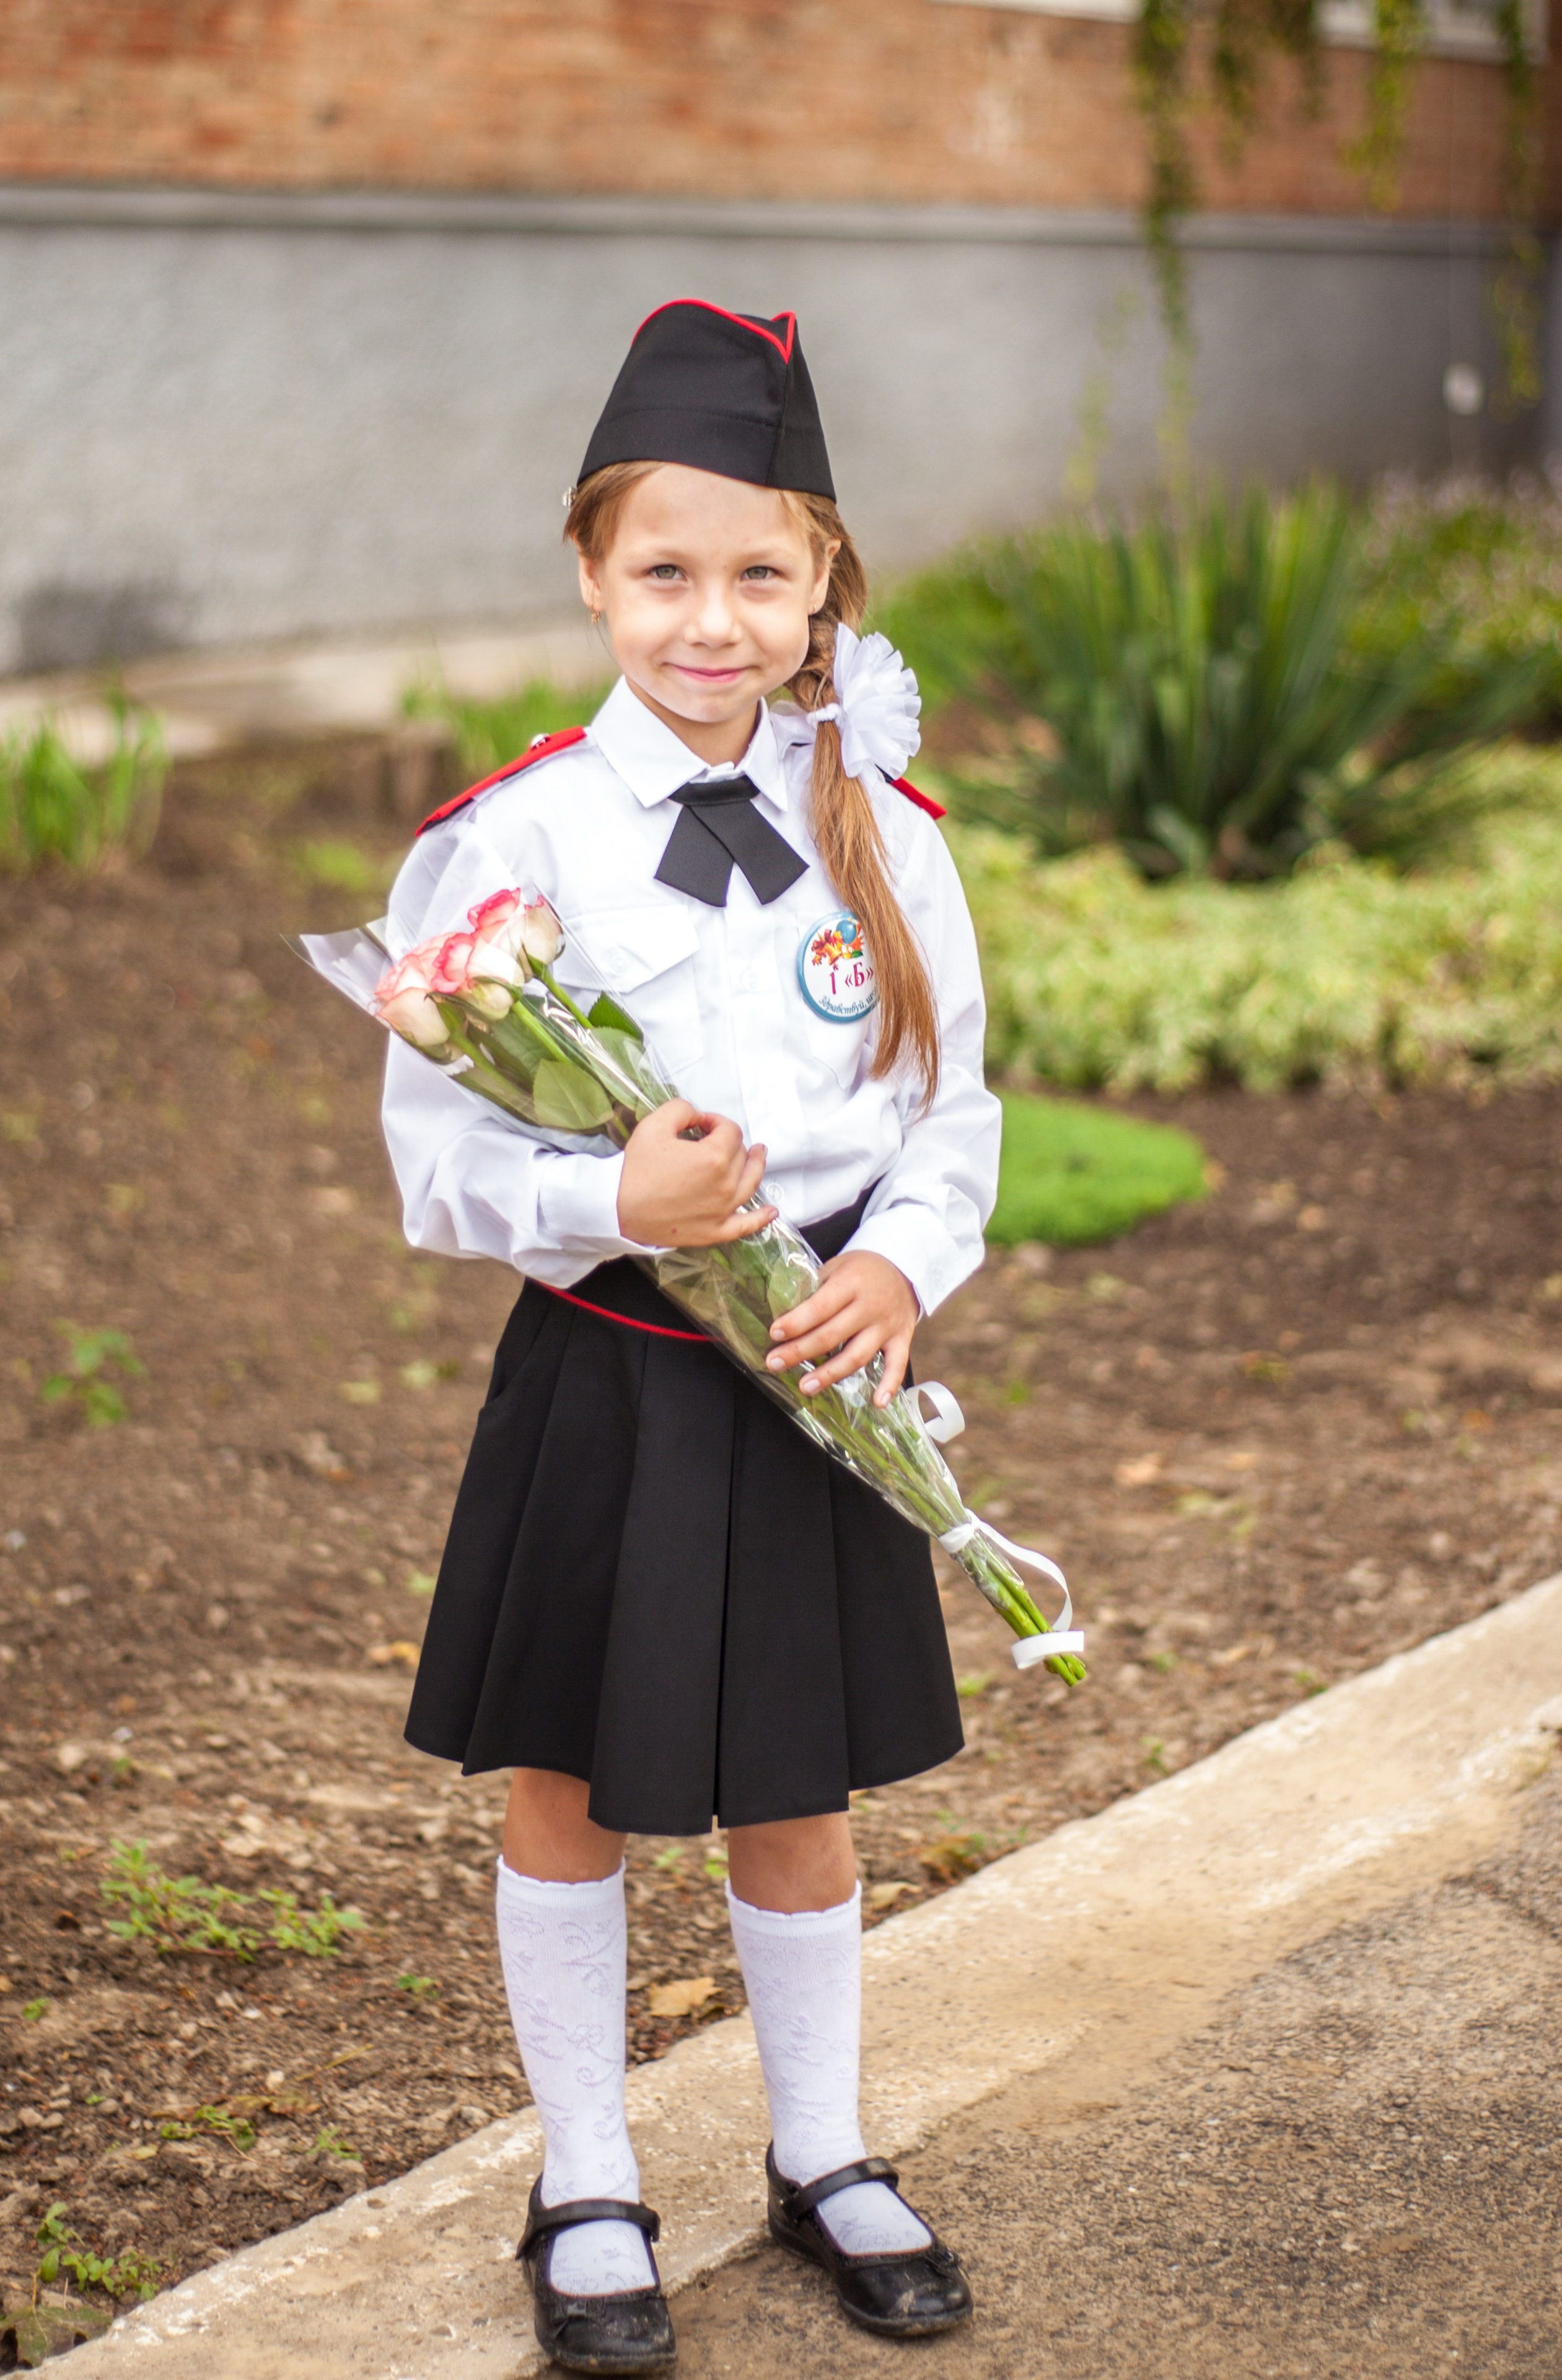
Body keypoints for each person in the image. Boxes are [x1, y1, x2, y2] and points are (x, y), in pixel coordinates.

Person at [380, 299, 999, 2374]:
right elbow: (439, 1163)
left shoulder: (886, 829)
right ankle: (585, 2177)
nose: (710, 621)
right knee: (568, 1782)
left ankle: (822, 2153)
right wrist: (606, 1207)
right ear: (590, 574)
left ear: (823, 584)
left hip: (817, 1371)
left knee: (797, 1792)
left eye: (758, 575)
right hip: (609, 1378)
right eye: (664, 572)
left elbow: (952, 1113)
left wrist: (901, 1268)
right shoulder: (511, 840)